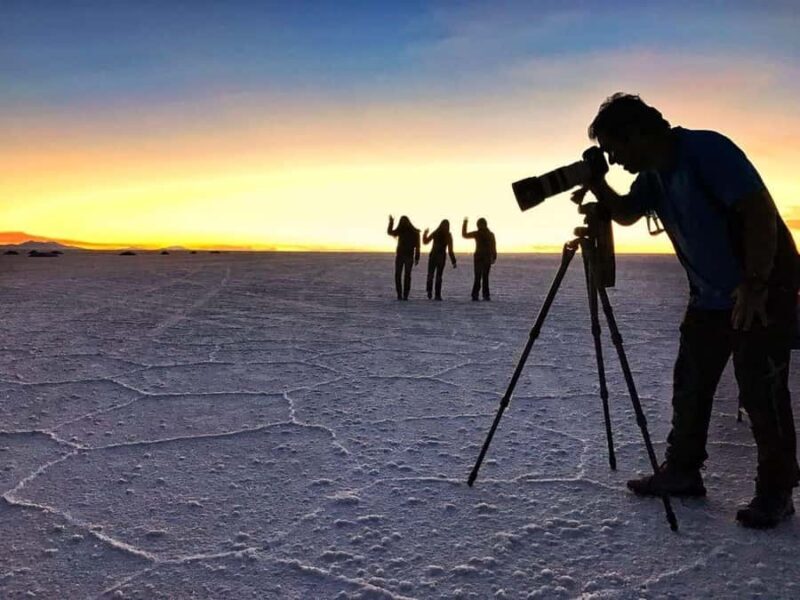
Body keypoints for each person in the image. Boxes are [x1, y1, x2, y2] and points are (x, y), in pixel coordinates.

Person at [579, 92, 800, 528]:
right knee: (691, 384)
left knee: (762, 390)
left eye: (613, 148)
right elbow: (625, 212)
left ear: (638, 133)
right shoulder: (654, 176)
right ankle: (682, 471)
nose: (614, 159)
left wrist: (755, 285)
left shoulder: (706, 150)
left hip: (761, 291)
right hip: (710, 298)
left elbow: (757, 212)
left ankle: (777, 491)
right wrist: (596, 183)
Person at [462, 217, 497, 301]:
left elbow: (464, 235)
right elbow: (494, 247)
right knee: (483, 277)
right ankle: (483, 295)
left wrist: (465, 223)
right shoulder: (490, 234)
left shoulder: (479, 233)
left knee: (480, 277)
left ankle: (477, 295)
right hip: (484, 258)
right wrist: (494, 257)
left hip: (481, 258)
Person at [387, 215, 420, 300]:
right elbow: (390, 232)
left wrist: (417, 257)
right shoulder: (401, 230)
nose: (403, 223)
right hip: (401, 256)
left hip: (407, 256)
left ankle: (404, 295)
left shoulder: (414, 232)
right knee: (400, 275)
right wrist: (391, 222)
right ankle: (400, 295)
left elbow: (418, 246)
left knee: (406, 275)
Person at [423, 219, 457, 300]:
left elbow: (425, 241)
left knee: (431, 275)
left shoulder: (436, 232)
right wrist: (453, 261)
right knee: (438, 276)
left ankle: (430, 291)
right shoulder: (448, 235)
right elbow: (450, 250)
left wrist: (425, 234)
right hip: (440, 257)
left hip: (434, 256)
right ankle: (437, 294)